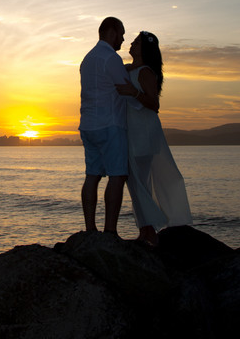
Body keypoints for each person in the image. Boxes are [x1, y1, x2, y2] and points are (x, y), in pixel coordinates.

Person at [117, 30, 192, 247]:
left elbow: (154, 104)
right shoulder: (127, 69)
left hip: (143, 133)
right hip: (130, 132)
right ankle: (146, 230)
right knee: (135, 183)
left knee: (138, 181)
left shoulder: (145, 72)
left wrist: (133, 92)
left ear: (145, 48)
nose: (132, 43)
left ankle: (149, 232)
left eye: (137, 42)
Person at [79, 16, 132, 234]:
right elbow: (125, 88)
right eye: (121, 34)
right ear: (111, 32)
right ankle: (110, 231)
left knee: (92, 175)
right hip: (110, 124)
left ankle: (90, 229)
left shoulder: (87, 59)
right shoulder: (111, 58)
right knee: (117, 176)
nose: (123, 39)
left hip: (88, 124)